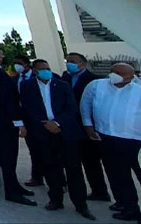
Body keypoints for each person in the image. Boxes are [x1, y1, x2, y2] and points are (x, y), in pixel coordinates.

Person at [21, 59, 94, 219]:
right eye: (42, 69)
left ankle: (80, 204)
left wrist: (57, 122)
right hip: (43, 132)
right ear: (35, 71)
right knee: (50, 167)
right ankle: (55, 199)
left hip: (65, 131)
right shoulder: (27, 87)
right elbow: (27, 108)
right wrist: (45, 124)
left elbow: (71, 108)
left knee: (74, 169)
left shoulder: (62, 85)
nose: (46, 71)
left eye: (48, 68)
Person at [81, 63, 141, 222]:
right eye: (118, 74)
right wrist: (88, 124)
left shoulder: (139, 91)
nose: (122, 79)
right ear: (112, 73)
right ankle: (129, 208)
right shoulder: (96, 86)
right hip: (107, 139)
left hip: (136, 141)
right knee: (119, 177)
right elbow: (85, 105)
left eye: (128, 77)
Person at [0, 46, 36, 206]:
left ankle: (14, 185)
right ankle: (11, 190)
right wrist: (18, 122)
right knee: (9, 155)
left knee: (7, 155)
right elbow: (7, 100)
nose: (3, 56)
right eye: (2, 54)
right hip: (5, 120)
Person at [63, 52, 110, 202]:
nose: (70, 63)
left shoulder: (95, 80)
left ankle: (100, 191)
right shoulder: (65, 78)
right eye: (68, 60)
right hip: (70, 127)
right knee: (77, 161)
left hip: (88, 127)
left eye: (73, 61)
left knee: (92, 161)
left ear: (82, 63)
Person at [13, 54, 43, 187]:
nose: (16, 66)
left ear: (27, 64)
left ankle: (61, 180)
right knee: (34, 150)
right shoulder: (14, 80)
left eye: (19, 63)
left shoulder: (40, 77)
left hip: (43, 120)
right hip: (27, 119)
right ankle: (37, 177)